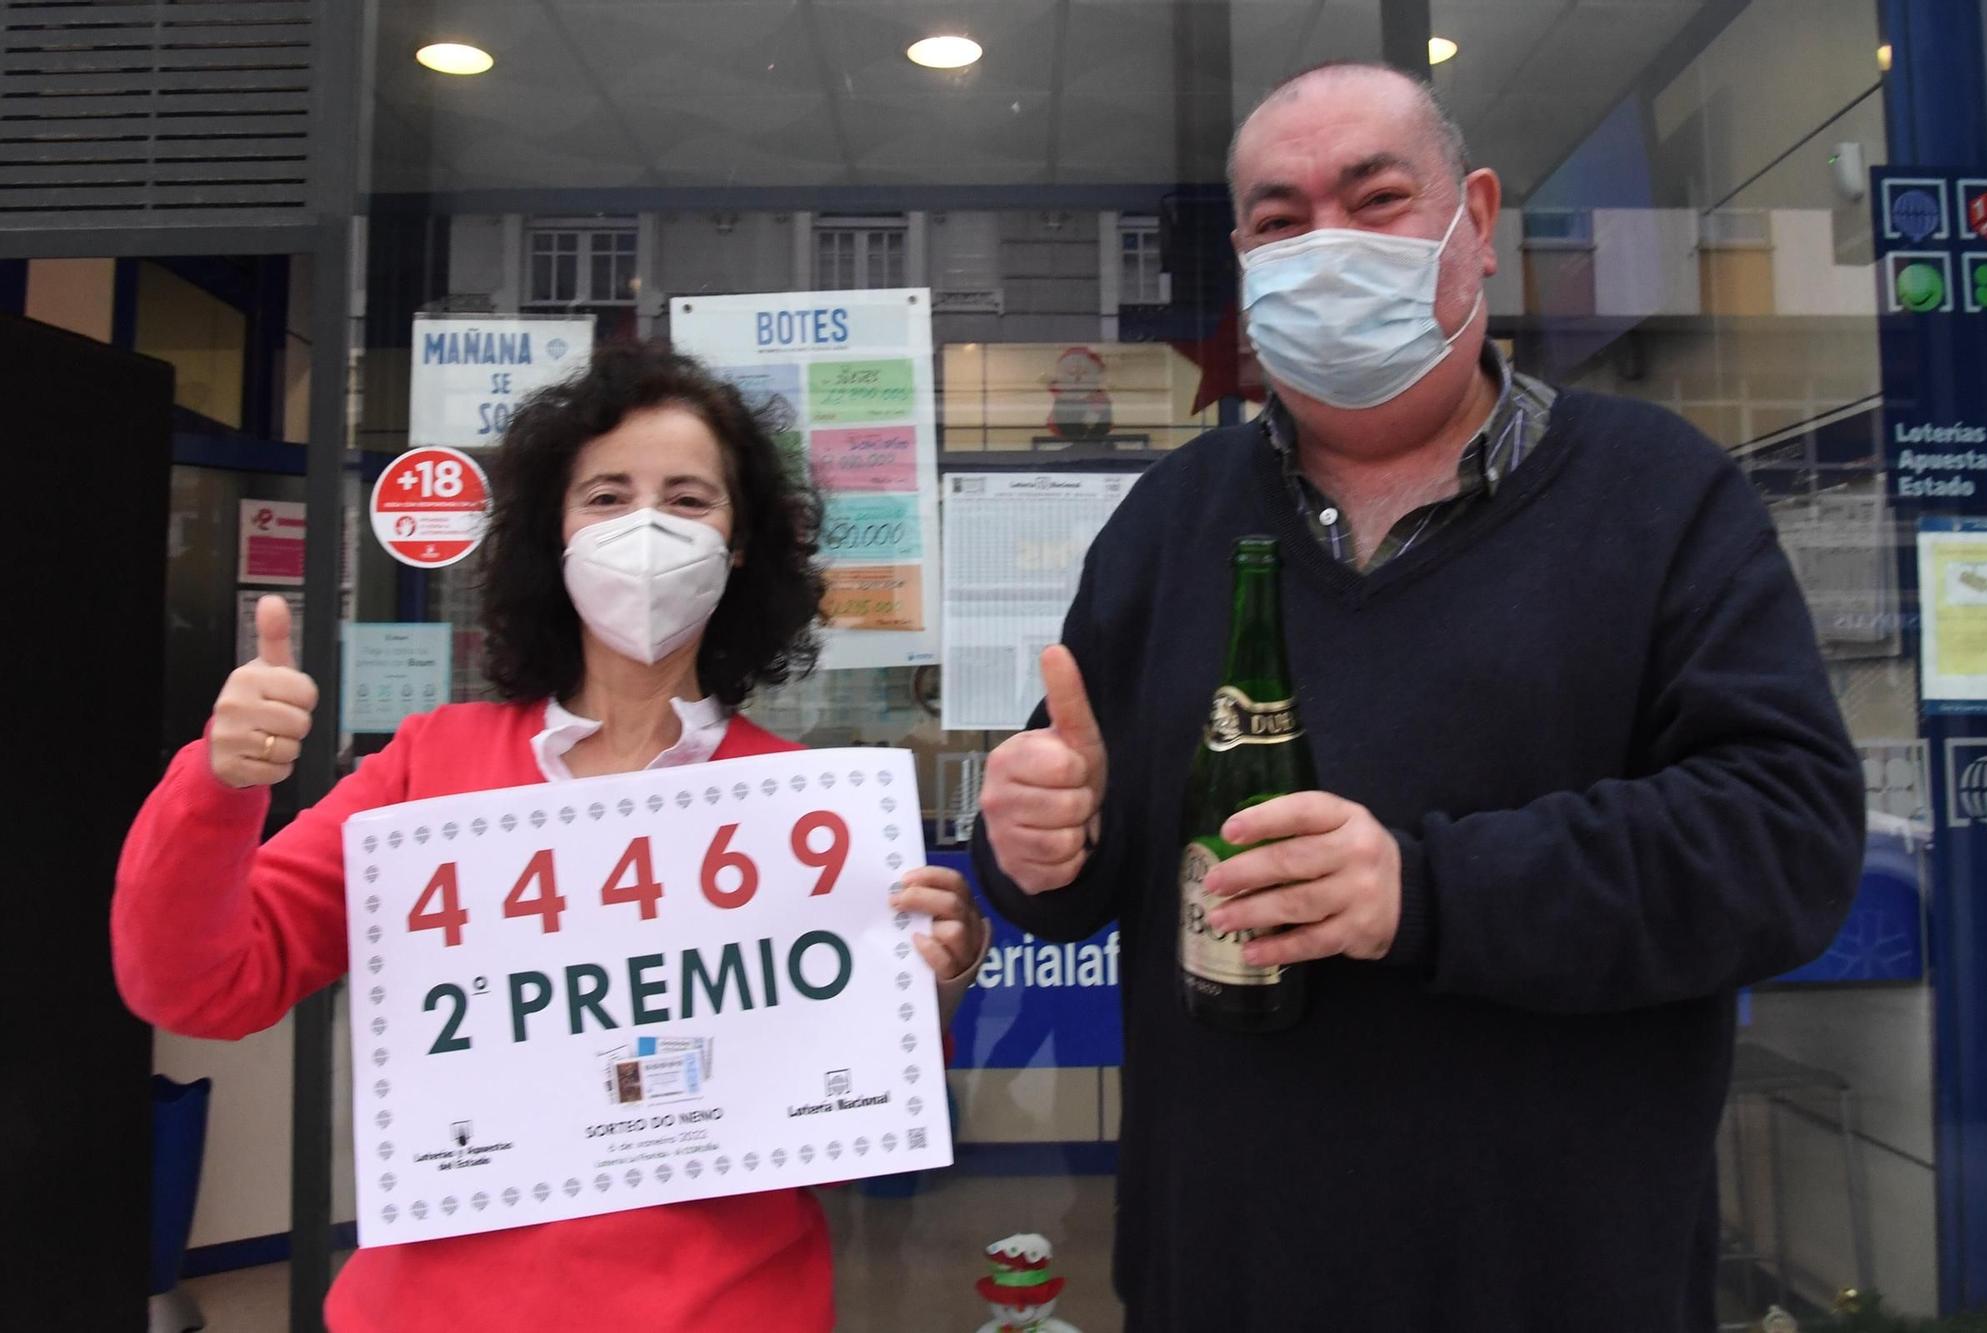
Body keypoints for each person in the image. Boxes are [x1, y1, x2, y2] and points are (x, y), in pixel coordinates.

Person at [973, 62, 1864, 1331]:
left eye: (1375, 198)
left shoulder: (1657, 498)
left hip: (1557, 1280)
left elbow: (1784, 841)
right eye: (1280, 222)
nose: (1325, 245)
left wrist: (1427, 892)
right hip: (1226, 1277)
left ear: (1476, 222)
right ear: (1242, 256)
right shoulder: (1172, 522)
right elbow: (1088, 849)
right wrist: (1038, 846)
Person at [115, 342, 989, 1332]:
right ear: (556, 533)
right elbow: (194, 982)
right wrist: (219, 785)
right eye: (607, 496)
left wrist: (934, 978)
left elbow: (852, 1112)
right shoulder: (426, 769)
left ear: (740, 543)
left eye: (689, 498)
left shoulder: (802, 812)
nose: (647, 528)